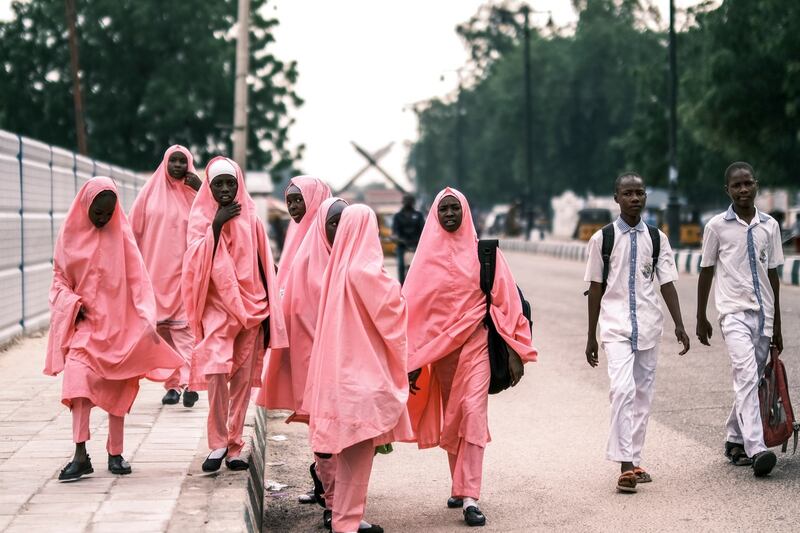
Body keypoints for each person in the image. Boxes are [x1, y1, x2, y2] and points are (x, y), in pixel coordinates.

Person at [404, 187, 536, 528]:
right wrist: (412, 361)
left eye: (455, 208)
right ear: (435, 214)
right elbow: (412, 314)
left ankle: (470, 496)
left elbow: (507, 300)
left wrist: (518, 344)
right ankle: (458, 484)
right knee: (454, 416)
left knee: (473, 413)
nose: (449, 214)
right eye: (444, 209)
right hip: (442, 355)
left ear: (465, 211)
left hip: (476, 344)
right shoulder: (423, 259)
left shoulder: (485, 255)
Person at [45, 177, 183, 481]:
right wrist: (70, 301)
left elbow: (139, 279)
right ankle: (80, 454)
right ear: (85, 206)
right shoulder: (69, 235)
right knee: (77, 385)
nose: (102, 218)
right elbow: (59, 279)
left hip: (121, 329)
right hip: (85, 328)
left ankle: (116, 452)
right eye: (97, 213)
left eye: (108, 213)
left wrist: (146, 318)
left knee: (118, 389)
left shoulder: (121, 235)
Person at [302, 205, 413, 533]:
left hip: (340, 377)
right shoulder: (366, 271)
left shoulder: (337, 270)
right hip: (362, 379)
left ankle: (345, 519)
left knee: (351, 453)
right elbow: (392, 315)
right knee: (359, 457)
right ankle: (347, 523)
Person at [584, 172, 690, 494]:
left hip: (648, 326)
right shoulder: (602, 239)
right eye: (628, 193)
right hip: (615, 327)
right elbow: (595, 287)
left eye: (639, 193)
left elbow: (667, 283)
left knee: (643, 395)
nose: (635, 198)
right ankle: (625, 465)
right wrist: (591, 336)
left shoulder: (657, 239)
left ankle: (635, 458)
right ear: (616, 197)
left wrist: (679, 324)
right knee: (622, 389)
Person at [181, 157, 288, 472]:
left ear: (239, 184)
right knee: (216, 372)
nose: (225, 189)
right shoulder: (200, 217)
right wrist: (216, 224)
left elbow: (263, 263)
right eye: (219, 184)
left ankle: (234, 446)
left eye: (230, 183)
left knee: (241, 381)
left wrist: (269, 313)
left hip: (252, 310)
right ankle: (216, 443)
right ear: (210, 187)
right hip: (216, 309)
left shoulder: (251, 217)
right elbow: (193, 263)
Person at [258, 197, 348, 516]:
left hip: (345, 363)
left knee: (336, 432)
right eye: (290, 200)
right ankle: (332, 499)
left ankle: (335, 497)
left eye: (299, 200)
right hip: (314, 359)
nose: (294, 207)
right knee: (323, 430)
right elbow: (292, 307)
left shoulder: (354, 259)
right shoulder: (307, 260)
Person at [696, 162, 784, 477]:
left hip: (764, 315)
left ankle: (734, 438)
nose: (743, 190)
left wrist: (777, 326)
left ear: (756, 185)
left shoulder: (770, 226)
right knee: (746, 375)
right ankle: (756, 446)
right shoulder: (716, 227)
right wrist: (700, 315)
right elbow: (706, 270)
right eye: (737, 185)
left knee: (754, 379)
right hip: (732, 312)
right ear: (728, 190)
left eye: (748, 183)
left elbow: (772, 274)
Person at [129, 145, 202, 407]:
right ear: (165, 163)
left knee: (185, 332)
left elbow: (211, 221)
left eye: (183, 161)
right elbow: (132, 232)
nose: (178, 166)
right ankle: (173, 385)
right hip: (154, 274)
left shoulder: (196, 194)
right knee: (163, 334)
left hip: (185, 275)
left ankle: (190, 383)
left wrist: (201, 189)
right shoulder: (149, 194)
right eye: (174, 161)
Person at [279, 176, 332, 286]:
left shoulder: (329, 232)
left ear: (315, 199)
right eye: (289, 202)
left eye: (298, 200)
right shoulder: (294, 231)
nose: (292, 207)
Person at [391, 193, 424, 284]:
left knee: (418, 268)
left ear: (413, 202)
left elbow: (423, 230)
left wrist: (417, 243)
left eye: (410, 200)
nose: (408, 202)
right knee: (401, 266)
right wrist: (396, 238)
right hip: (402, 246)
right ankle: (402, 287)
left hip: (416, 245)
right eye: (406, 200)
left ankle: (418, 286)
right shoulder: (397, 216)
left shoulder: (419, 215)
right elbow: (395, 231)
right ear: (403, 202)